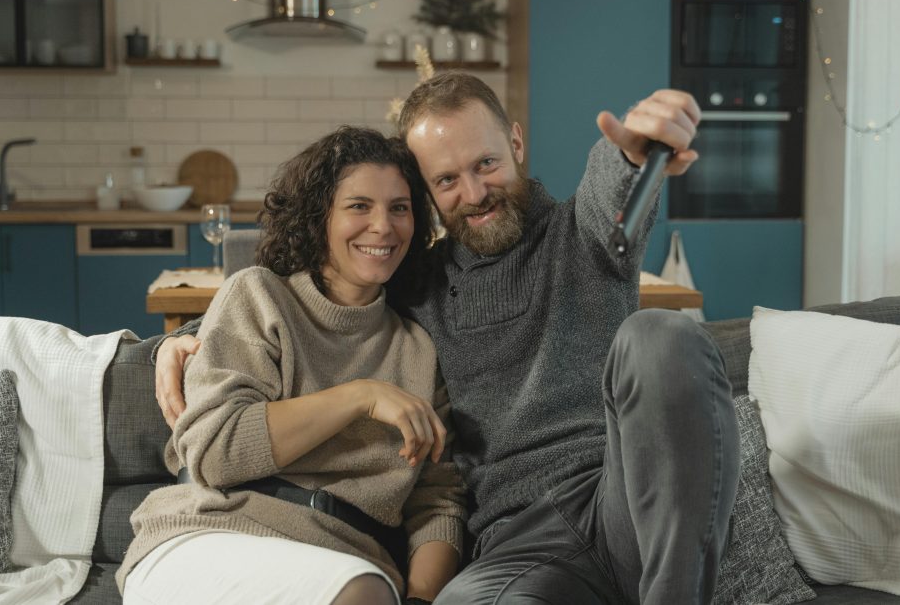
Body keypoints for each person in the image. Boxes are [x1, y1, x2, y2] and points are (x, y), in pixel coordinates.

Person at [155, 74, 740, 605]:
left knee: (660, 335)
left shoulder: (583, 234)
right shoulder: (420, 284)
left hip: (622, 505)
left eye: (485, 163)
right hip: (518, 546)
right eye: (446, 180)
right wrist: (188, 337)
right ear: (428, 193)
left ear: (515, 142)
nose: (474, 192)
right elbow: (327, 298)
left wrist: (635, 153)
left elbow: (613, 181)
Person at [119, 127, 466, 605]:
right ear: (320, 217)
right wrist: (359, 397)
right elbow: (217, 452)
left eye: (399, 207)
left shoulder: (418, 352)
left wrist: (422, 599)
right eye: (359, 206)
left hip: (344, 560)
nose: (383, 226)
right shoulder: (259, 296)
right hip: (208, 534)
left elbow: (437, 501)